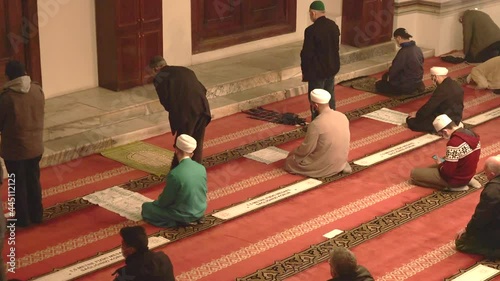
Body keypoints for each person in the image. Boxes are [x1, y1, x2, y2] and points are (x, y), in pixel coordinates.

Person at [0, 60, 44, 227]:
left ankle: (23, 219)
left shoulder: (6, 98)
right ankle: (37, 214)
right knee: (33, 180)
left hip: (15, 151)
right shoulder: (37, 90)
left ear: (9, 76)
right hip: (35, 146)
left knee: (16, 184)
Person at [149, 56, 211, 168]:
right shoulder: (184, 69)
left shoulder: (160, 77)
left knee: (183, 142)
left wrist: (177, 110)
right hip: (203, 107)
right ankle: (196, 168)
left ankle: (178, 169)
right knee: (197, 140)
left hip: (186, 113)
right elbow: (203, 89)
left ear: (156, 69)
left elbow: (165, 100)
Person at [142, 134, 207, 227]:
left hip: (183, 214)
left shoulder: (175, 174)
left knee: (147, 208)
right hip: (200, 210)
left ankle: (179, 222)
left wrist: (155, 204)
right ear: (192, 153)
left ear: (176, 150)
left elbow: (164, 202)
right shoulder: (201, 168)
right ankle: (196, 218)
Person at [284, 89, 351, 178]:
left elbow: (306, 149)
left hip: (323, 165)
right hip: (340, 160)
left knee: (289, 162)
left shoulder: (316, 124)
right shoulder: (342, 116)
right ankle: (340, 165)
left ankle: (328, 168)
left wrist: (293, 153)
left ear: (315, 106)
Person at [410, 114, 481, 191]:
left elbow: (447, 172)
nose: (443, 137)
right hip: (468, 174)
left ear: (445, 131)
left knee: (414, 175)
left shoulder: (454, 143)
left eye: (441, 135)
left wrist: (440, 164)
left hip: (456, 180)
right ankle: (469, 180)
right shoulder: (472, 134)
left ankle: (452, 187)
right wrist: (443, 162)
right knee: (430, 167)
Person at [300, 0, 340, 119]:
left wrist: (306, 72)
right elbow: (336, 48)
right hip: (331, 68)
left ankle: (318, 123)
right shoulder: (333, 26)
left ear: (313, 13)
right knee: (329, 97)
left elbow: (307, 54)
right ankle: (332, 121)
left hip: (317, 72)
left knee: (316, 101)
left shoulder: (311, 31)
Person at [455, 155, 500, 259]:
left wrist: (468, 230)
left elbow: (481, 217)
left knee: (461, 242)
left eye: (486, 174)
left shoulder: (493, 191)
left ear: (492, 174)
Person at [406, 67, 464, 133]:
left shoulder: (442, 89)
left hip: (445, 120)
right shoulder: (455, 84)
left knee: (411, 122)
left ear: (435, 77)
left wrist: (417, 116)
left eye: (432, 78)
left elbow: (429, 106)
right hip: (457, 117)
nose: (432, 80)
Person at [375, 28, 425, 96]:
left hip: (406, 86)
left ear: (398, 38)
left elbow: (394, 71)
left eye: (395, 39)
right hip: (418, 81)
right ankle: (417, 86)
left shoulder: (403, 52)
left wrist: (386, 77)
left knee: (379, 84)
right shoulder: (417, 49)